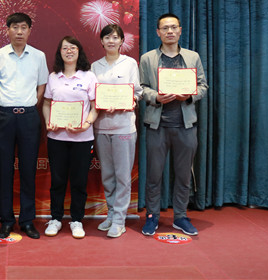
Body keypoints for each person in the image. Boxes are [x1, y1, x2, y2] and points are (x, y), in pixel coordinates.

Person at [140, 13, 208, 236]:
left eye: (173, 27)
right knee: (154, 175)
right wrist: (156, 97)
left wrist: (189, 96)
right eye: (165, 28)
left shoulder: (192, 57)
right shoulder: (148, 58)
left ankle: (180, 216)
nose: (169, 31)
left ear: (180, 30)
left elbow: (203, 86)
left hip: (186, 126)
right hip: (156, 126)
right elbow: (141, 88)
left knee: (183, 175)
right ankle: (152, 216)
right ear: (158, 32)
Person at [0, 12, 49, 239]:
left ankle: (27, 220)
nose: (19, 32)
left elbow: (41, 87)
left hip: (28, 117)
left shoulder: (39, 56)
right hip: (3, 116)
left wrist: (30, 106)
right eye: (15, 27)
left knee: (28, 170)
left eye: (24, 27)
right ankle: (6, 221)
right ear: (7, 30)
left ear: (29, 31)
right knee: (4, 170)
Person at [42, 36, 98, 239]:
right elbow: (46, 103)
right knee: (57, 180)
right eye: (65, 48)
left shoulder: (89, 77)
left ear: (79, 51)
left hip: (82, 139)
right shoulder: (53, 77)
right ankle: (55, 218)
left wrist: (86, 124)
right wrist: (48, 121)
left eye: (73, 47)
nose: (69, 51)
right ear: (60, 52)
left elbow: (95, 107)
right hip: (57, 137)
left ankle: (76, 220)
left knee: (79, 181)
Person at [91, 24, 143, 238]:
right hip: (101, 127)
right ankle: (111, 213)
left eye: (115, 37)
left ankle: (120, 220)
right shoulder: (95, 66)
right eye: (107, 37)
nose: (111, 41)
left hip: (124, 127)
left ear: (122, 41)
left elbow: (137, 92)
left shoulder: (130, 63)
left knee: (122, 176)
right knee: (108, 175)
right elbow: (93, 94)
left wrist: (126, 102)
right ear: (101, 41)